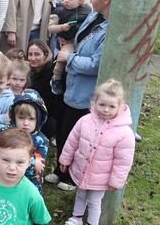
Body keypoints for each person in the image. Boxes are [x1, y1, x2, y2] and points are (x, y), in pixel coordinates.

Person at [45, 0, 115, 191]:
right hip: (71, 84)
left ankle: (72, 177)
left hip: (85, 92)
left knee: (79, 135)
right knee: (64, 130)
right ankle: (60, 169)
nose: (89, 0)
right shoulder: (94, 15)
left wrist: (70, 59)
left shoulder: (109, 29)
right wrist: (68, 46)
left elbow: (96, 65)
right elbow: (79, 40)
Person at [59, 79, 136, 225]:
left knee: (95, 202)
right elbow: (72, 141)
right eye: (102, 105)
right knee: (80, 194)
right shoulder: (85, 120)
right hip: (81, 169)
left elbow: (123, 161)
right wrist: (65, 160)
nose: (106, 110)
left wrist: (116, 181)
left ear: (120, 106)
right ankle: (77, 218)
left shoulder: (124, 133)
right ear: (95, 102)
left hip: (101, 177)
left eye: (111, 106)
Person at [48, 0, 92, 94]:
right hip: (69, 41)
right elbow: (50, 28)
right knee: (63, 57)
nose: (66, 1)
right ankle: (56, 78)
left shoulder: (87, 11)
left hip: (84, 41)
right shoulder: (60, 11)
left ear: (81, 0)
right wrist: (62, 27)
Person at [8, 90, 49, 193]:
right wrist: (33, 161)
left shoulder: (41, 141)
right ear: (14, 117)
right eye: (21, 118)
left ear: (38, 120)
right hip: (9, 176)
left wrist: (34, 162)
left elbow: (40, 164)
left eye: (31, 119)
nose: (25, 123)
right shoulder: (8, 135)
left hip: (30, 181)